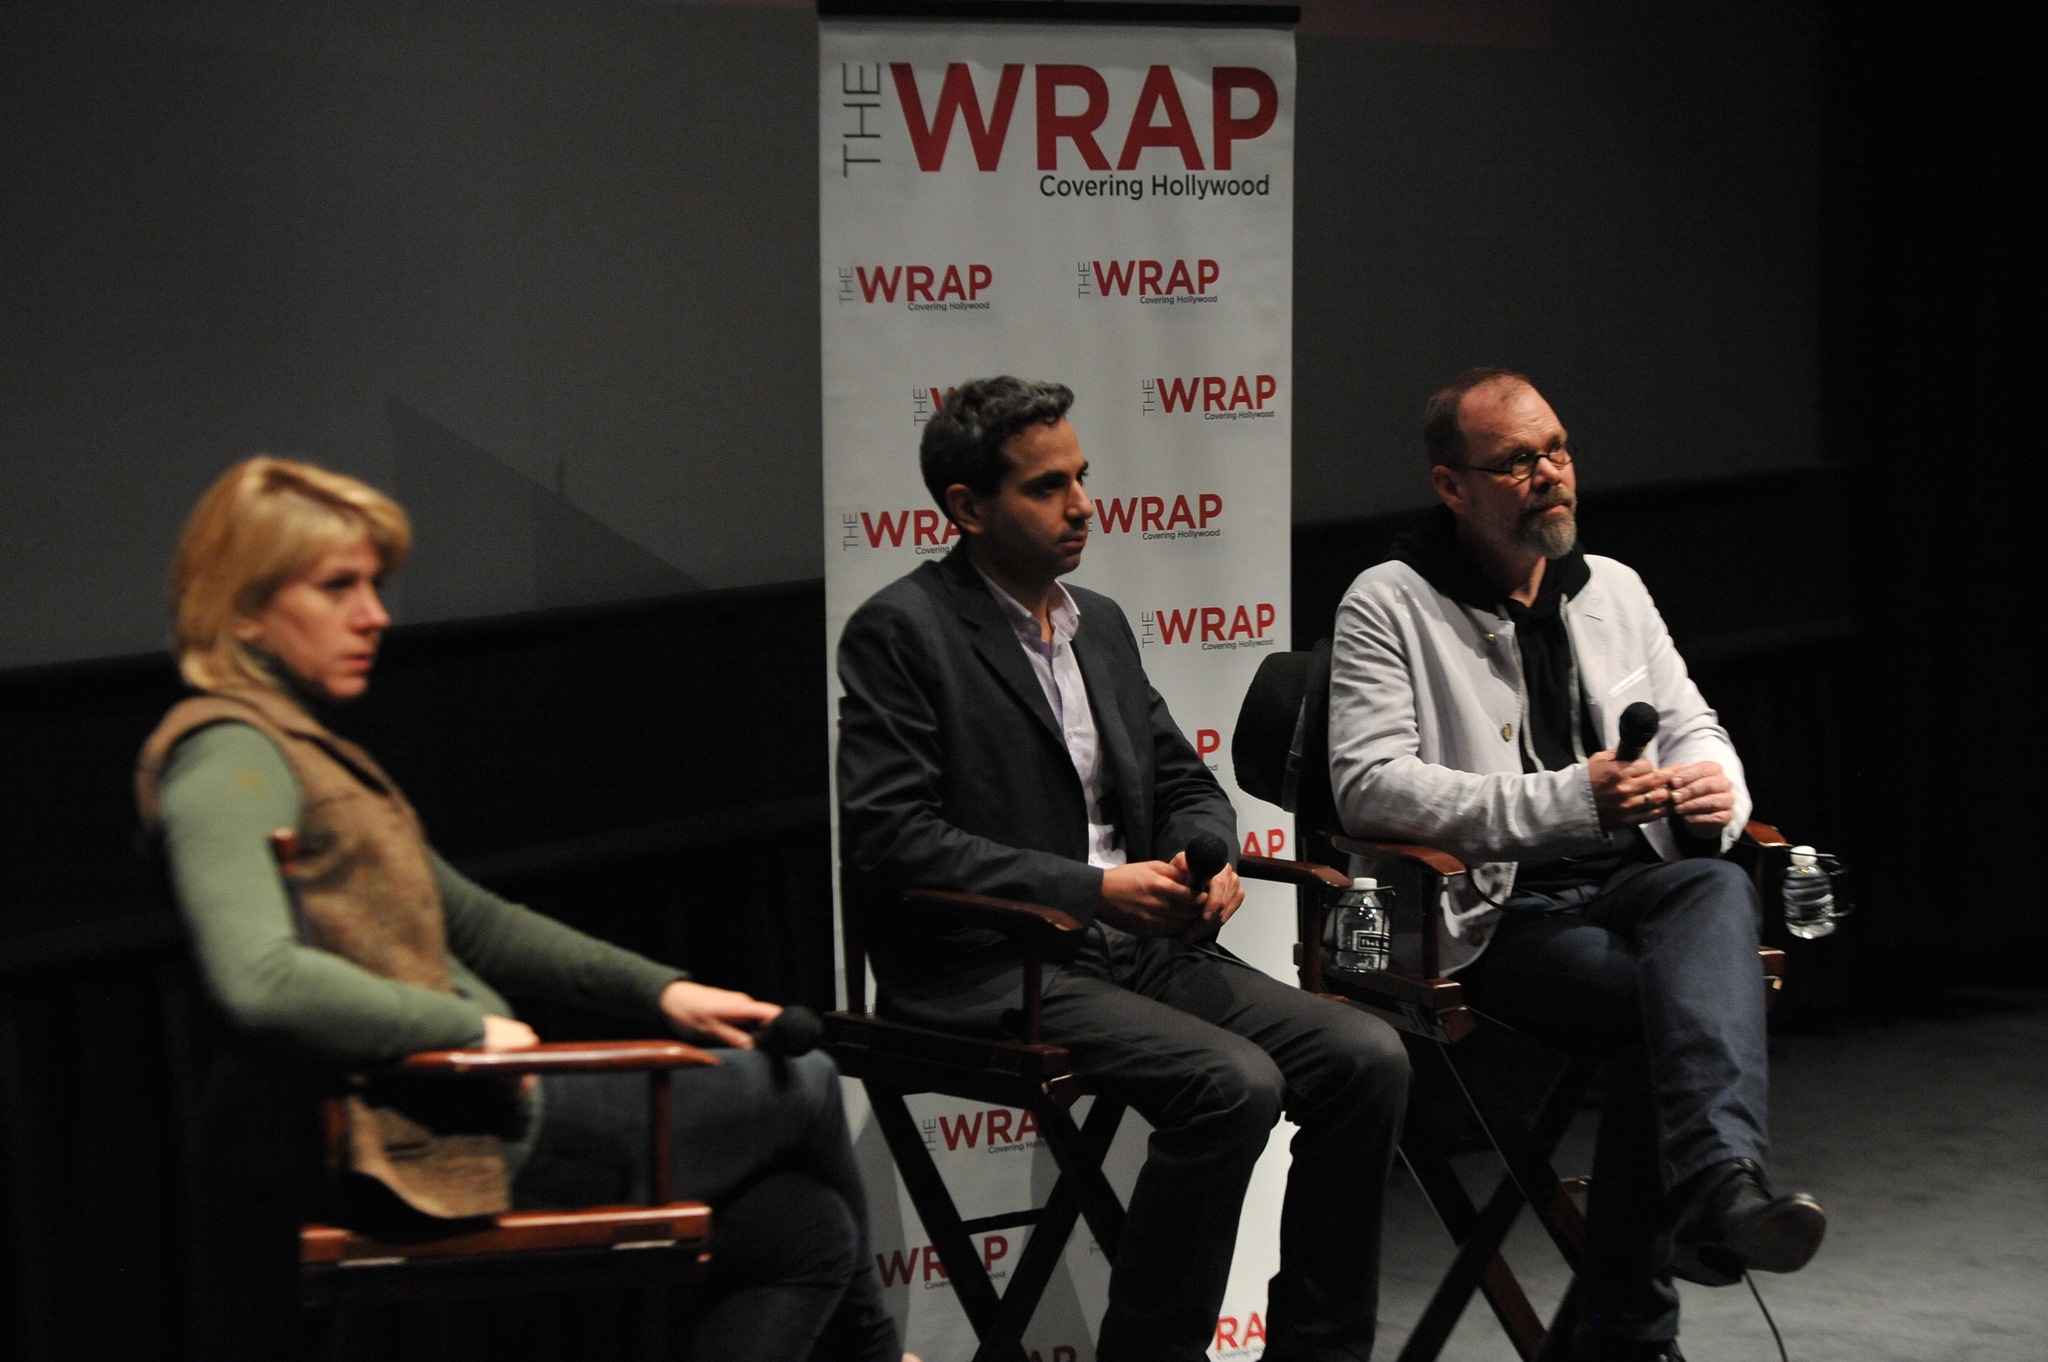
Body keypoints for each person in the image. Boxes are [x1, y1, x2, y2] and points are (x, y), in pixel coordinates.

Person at [135, 456, 913, 1362]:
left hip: (460, 1122)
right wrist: (460, 1023)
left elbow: (477, 922)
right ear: (241, 608)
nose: (375, 614)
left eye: (375, 585)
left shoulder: (299, 749)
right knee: (804, 1079)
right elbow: (258, 981)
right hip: (427, 1147)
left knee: (799, 1231)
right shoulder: (226, 756)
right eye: (337, 587)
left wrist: (663, 994)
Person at [837, 377, 1409, 1362]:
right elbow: (892, 839)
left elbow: (1186, 780)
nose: (1082, 505)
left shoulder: (1094, 621)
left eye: (1082, 477)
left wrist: (1208, 858)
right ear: (967, 508)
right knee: (1231, 1084)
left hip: (1135, 954)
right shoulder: (903, 631)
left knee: (1367, 1059)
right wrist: (1091, 889)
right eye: (1046, 487)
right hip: (987, 968)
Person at [1326, 368, 1827, 1362]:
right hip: (1490, 915)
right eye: (1514, 461)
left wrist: (1710, 786)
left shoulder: (1612, 589)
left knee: (1714, 880)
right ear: (1450, 485)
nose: (1547, 473)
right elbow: (1368, 789)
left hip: (1626, 885)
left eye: (1554, 450)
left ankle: (1705, 1205)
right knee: (1670, 1007)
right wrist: (1565, 803)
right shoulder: (1388, 604)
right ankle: (1654, 1292)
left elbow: (1691, 722)